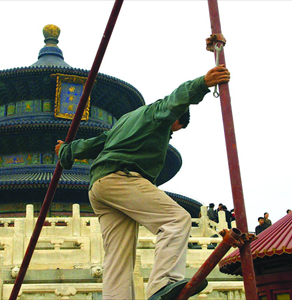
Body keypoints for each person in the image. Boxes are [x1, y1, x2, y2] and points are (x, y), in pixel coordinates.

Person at [56, 65, 230, 300]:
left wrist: (65, 152)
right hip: (121, 178)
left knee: (118, 254)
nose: (170, 135)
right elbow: (174, 101)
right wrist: (203, 83)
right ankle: (163, 283)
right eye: (174, 130)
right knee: (177, 220)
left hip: (99, 187)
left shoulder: (124, 121)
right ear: (175, 120)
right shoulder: (158, 113)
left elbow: (95, 143)